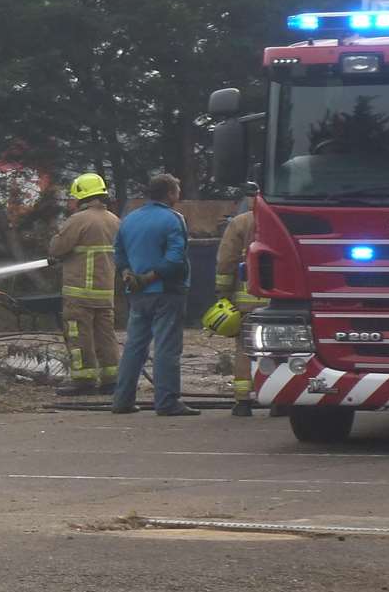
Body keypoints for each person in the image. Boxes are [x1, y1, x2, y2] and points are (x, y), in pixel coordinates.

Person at [110, 173, 198, 416]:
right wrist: (152, 276)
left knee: (134, 347)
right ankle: (167, 402)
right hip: (167, 292)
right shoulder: (172, 219)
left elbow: (118, 251)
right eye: (177, 191)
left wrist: (129, 274)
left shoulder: (129, 219)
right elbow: (175, 258)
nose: (178, 195)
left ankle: (122, 400)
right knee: (167, 347)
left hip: (137, 294)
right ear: (169, 193)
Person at [46, 173, 122, 395]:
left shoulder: (79, 220)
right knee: (106, 336)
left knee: (79, 336)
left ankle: (83, 380)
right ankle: (111, 380)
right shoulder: (115, 220)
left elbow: (57, 249)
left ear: (81, 196)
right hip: (105, 292)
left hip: (79, 293)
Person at [207, 201, 262, 417]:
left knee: (245, 349)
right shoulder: (285, 219)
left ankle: (242, 401)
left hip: (247, 301)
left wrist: (222, 293)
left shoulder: (240, 223)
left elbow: (226, 262)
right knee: (281, 351)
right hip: (280, 302)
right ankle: (279, 401)